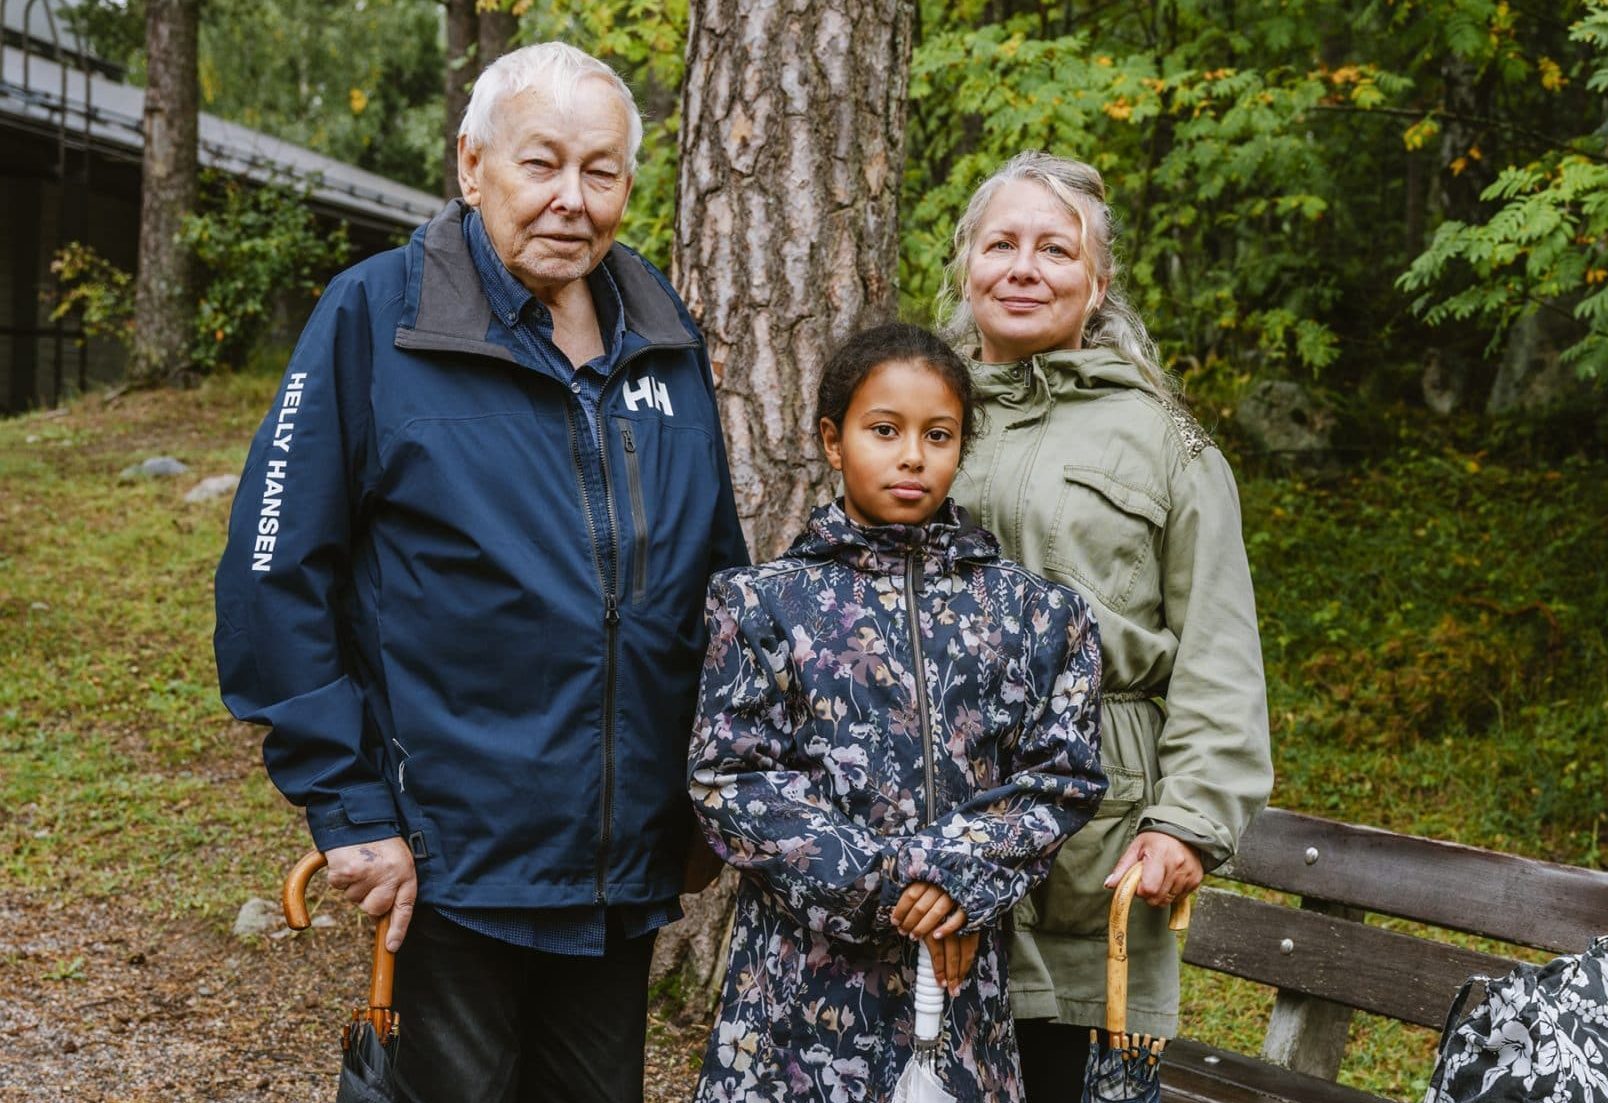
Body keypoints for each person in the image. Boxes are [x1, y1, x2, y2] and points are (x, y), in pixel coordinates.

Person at [213, 43, 747, 1103]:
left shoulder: (662, 331)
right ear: (472, 164)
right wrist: (350, 807)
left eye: (600, 171)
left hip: (619, 869)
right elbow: (275, 574)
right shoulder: (376, 316)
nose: (570, 199)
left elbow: (714, 573)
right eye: (539, 163)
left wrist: (704, 800)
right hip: (445, 860)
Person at [686, 322, 1107, 1102]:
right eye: (884, 430)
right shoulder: (762, 604)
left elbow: (1063, 776)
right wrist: (894, 888)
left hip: (956, 991)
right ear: (833, 439)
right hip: (799, 989)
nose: (912, 455)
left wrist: (958, 876)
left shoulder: (1037, 616)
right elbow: (732, 778)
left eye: (938, 435)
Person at [937, 150, 1273, 1100]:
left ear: (1098, 280)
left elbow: (1219, 653)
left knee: (1057, 1072)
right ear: (966, 264)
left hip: (1093, 839)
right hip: (931, 813)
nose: (1024, 268)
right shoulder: (921, 410)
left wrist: (1188, 823)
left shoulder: (1166, 442)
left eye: (1055, 249)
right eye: (1000, 244)